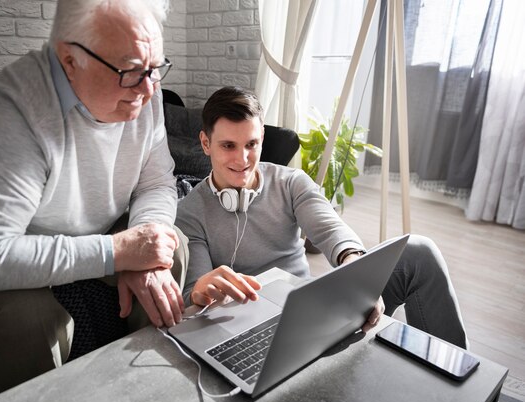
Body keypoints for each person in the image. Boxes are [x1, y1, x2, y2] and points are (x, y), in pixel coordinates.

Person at [0, 0, 188, 392]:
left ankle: (147, 390)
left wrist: (145, 241)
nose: (149, 89)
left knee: (171, 247)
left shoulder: (145, 90)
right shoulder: (11, 108)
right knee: (33, 324)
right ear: (70, 61)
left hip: (93, 223)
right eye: (131, 72)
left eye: (155, 68)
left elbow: (156, 182)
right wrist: (118, 252)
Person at [175, 86, 469, 349]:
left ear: (262, 137)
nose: (242, 160)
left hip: (313, 313)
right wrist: (202, 292)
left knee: (419, 251)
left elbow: (331, 230)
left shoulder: (290, 182)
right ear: (205, 143)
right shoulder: (190, 211)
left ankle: (462, 391)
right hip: (252, 330)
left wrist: (356, 268)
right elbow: (193, 295)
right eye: (228, 146)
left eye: (251, 144)